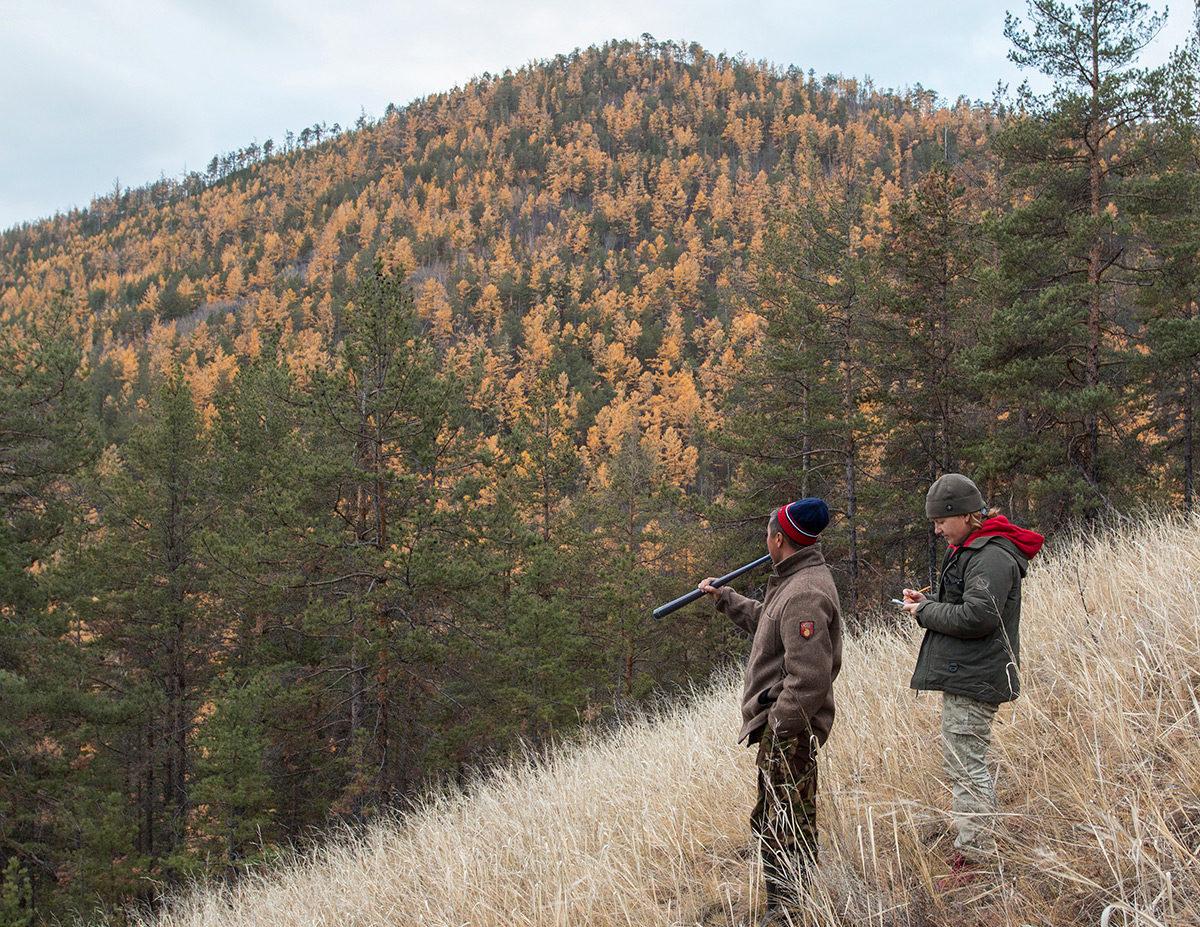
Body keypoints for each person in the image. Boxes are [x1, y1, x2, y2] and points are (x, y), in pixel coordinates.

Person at [699, 498, 842, 924]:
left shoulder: (805, 592)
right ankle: (788, 907)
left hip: (790, 732)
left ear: (777, 539)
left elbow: (810, 678)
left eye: (768, 534)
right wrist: (727, 599)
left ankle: (788, 913)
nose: (766, 540)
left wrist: (778, 726)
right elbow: (770, 624)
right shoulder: (795, 580)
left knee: (785, 822)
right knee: (778, 817)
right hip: (785, 728)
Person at [901, 473, 1043, 886]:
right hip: (969, 672)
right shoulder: (975, 549)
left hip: (974, 675)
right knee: (966, 761)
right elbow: (969, 605)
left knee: (966, 765)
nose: (937, 529)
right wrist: (929, 603)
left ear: (964, 515)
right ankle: (983, 839)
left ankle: (976, 855)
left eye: (940, 521)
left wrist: (925, 613)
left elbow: (979, 616)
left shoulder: (990, 556)